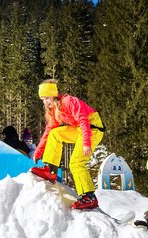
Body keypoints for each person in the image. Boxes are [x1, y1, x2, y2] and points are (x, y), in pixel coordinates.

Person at [30, 79, 105, 210]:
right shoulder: (53, 110)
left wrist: (86, 142)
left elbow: (83, 119)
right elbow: (48, 131)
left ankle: (89, 197)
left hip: (92, 129)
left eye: (47, 98)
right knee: (55, 134)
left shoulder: (68, 101)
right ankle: (50, 171)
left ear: (53, 94)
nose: (45, 102)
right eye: (42, 99)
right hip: (79, 130)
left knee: (76, 162)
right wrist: (38, 152)